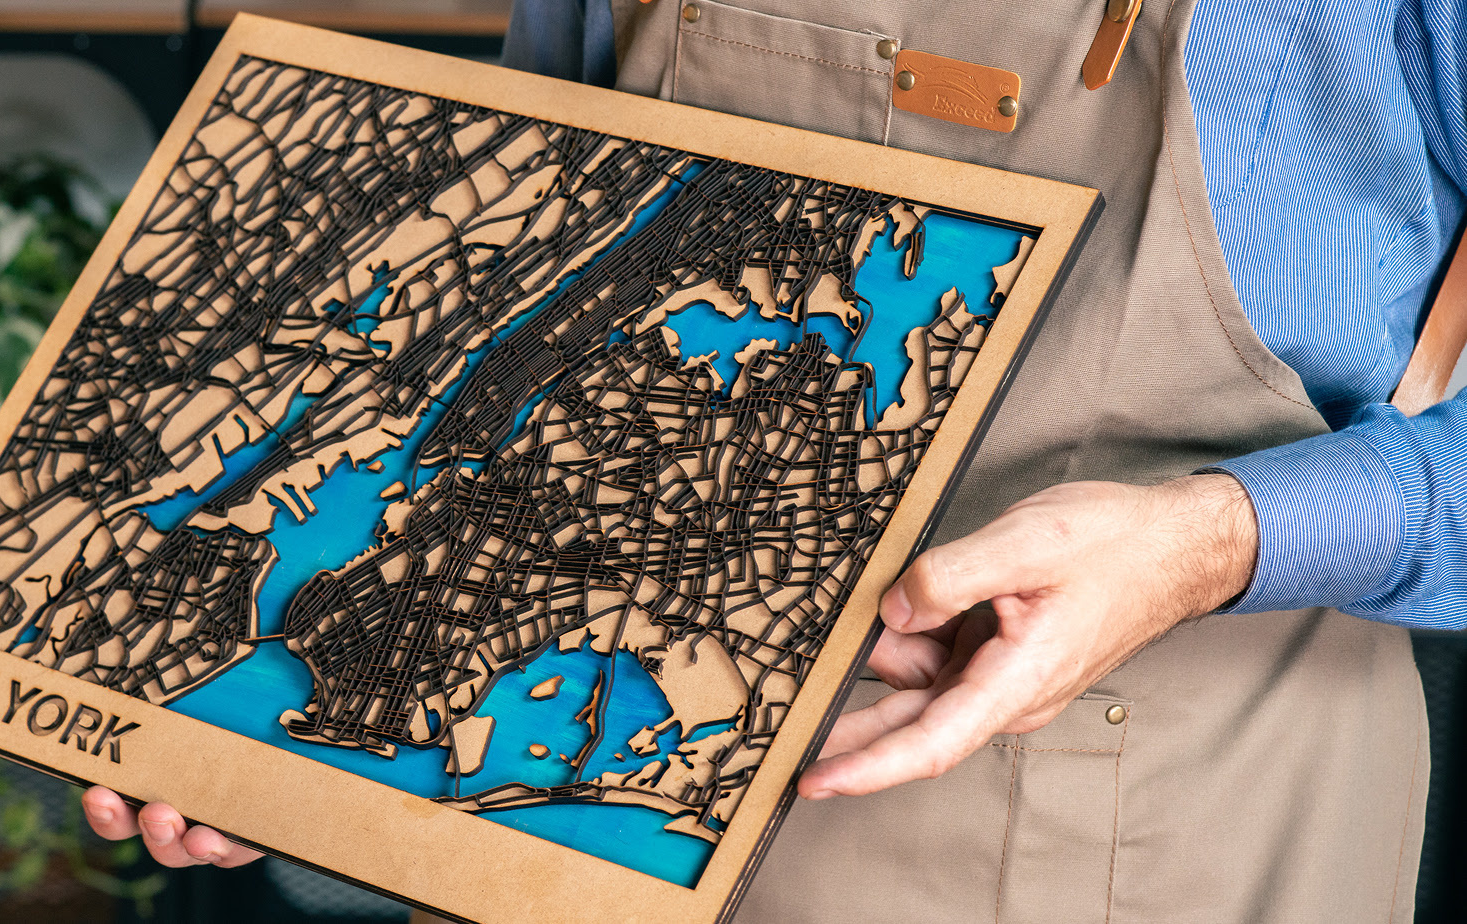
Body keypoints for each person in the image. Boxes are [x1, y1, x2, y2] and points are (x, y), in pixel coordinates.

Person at [87, 0, 1466, 919]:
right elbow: (541, 242)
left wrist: (1217, 538)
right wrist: (272, 694)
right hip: (564, 791)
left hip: (1132, 819)